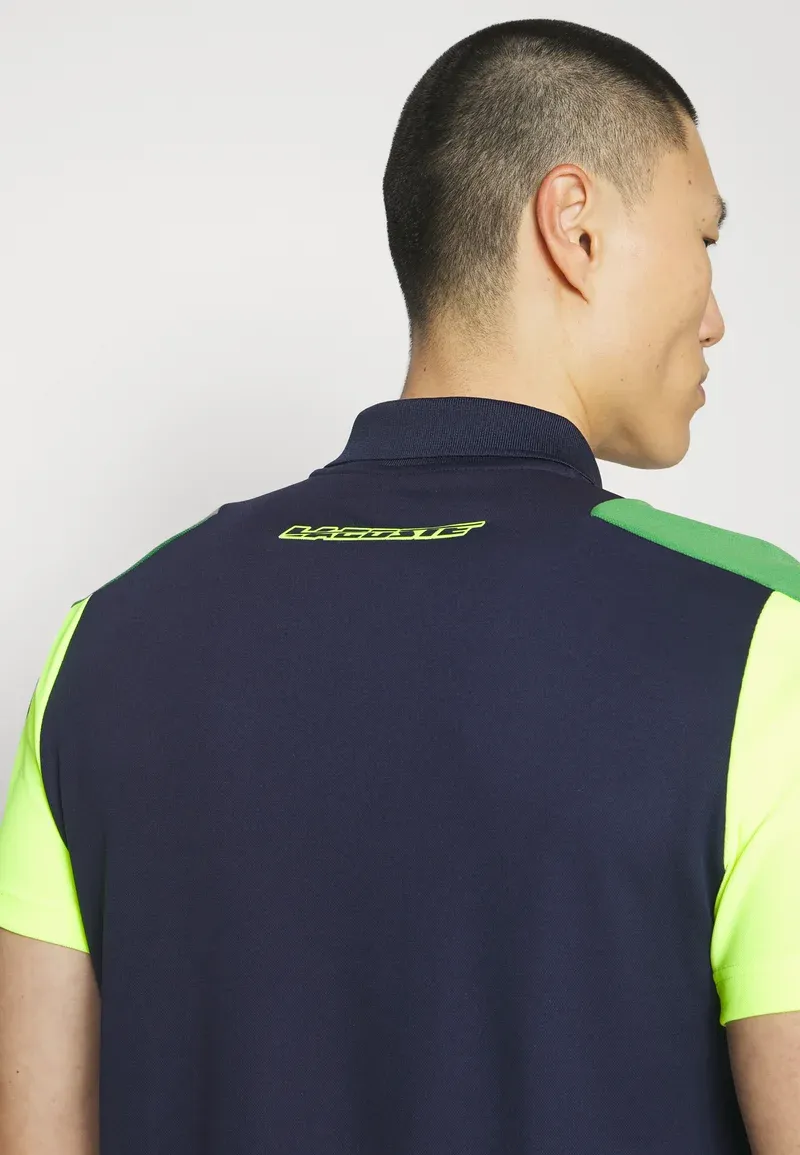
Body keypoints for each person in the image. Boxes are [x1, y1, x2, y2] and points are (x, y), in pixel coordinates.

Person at [0, 16, 797, 1154]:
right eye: (704, 240)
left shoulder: (103, 643)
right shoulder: (757, 636)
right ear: (573, 226)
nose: (716, 316)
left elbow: (38, 1128)